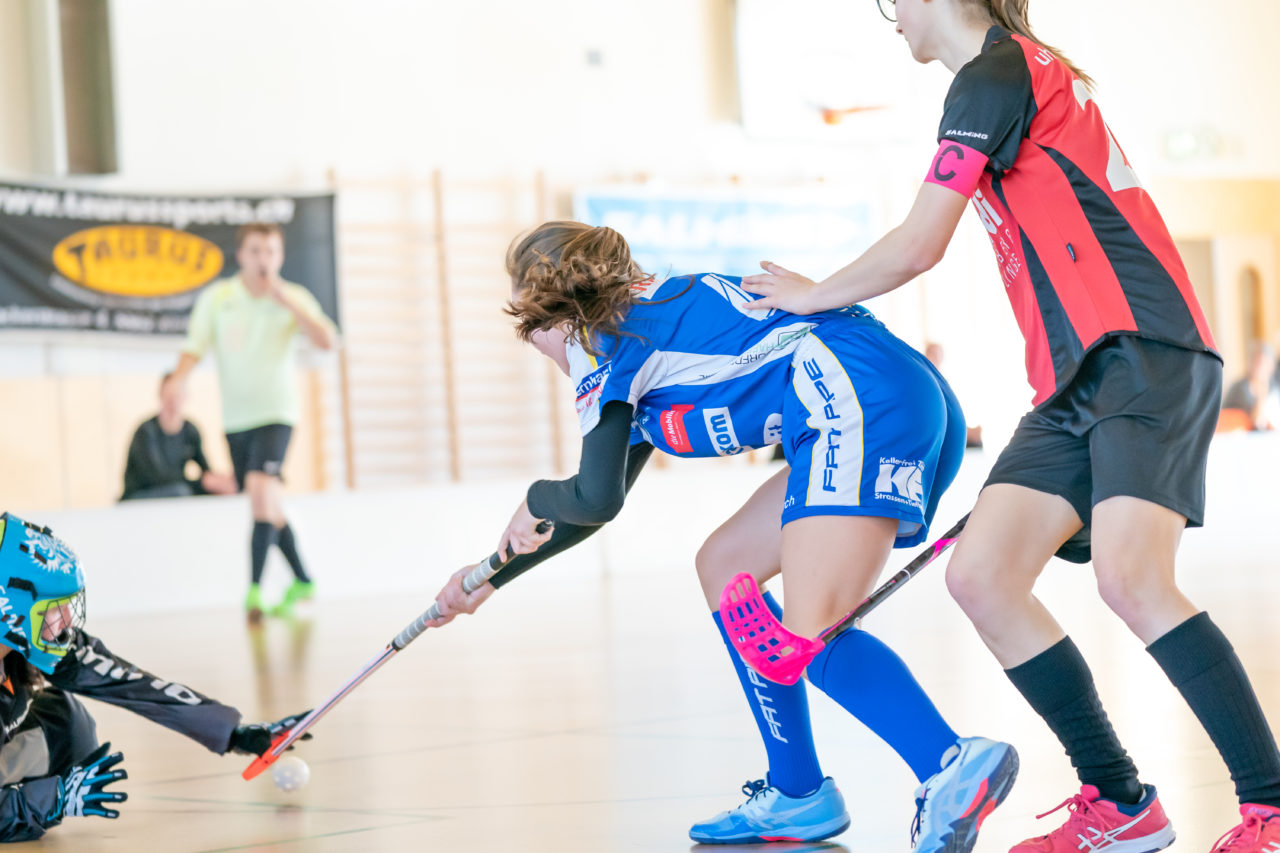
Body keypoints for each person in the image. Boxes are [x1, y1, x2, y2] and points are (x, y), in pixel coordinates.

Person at [738, 2, 1280, 851]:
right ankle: (1122, 801)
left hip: (1146, 351)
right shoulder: (996, 81)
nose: (889, 18)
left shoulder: (995, 74)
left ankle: (1271, 807)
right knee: (983, 575)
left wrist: (812, 293)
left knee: (1133, 580)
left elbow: (921, 244)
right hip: (1073, 384)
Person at [425, 221, 1018, 850]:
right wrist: (487, 578)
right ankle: (798, 793)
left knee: (814, 629)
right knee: (725, 564)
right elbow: (601, 504)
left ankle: (950, 764)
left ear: (545, 313)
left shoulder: (603, 349)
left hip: (858, 397)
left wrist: (537, 496)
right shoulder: (645, 327)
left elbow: (585, 497)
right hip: (888, 391)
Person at [0, 512, 310, 842]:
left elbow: (127, 683)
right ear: (9, 608)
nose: (65, 620)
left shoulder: (25, 641)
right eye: (53, 607)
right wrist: (54, 799)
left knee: (68, 725)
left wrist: (233, 733)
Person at [171, 223, 337, 621]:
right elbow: (194, 346)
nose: (264, 259)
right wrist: (177, 380)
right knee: (267, 502)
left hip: (277, 413)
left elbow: (328, 341)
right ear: (242, 255)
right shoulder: (219, 298)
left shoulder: (293, 297)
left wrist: (289, 305)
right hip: (236, 420)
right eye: (256, 251)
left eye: (272, 252)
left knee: (261, 494)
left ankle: (255, 591)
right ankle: (303, 579)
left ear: (279, 257)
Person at [120, 372, 237, 501]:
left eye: (177, 396)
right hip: (141, 494)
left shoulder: (190, 430)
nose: (173, 402)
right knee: (180, 491)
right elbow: (158, 477)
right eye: (169, 396)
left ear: (186, 396)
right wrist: (201, 483)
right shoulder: (146, 432)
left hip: (176, 490)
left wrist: (219, 482)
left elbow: (205, 470)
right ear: (161, 395)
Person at [923, 342, 983, 448]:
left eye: (939, 355)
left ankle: (969, 433)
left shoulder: (943, 382)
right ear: (926, 355)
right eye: (933, 354)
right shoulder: (926, 380)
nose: (936, 358)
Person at [1222, 341, 1280, 431]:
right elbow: (1256, 421)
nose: (1260, 367)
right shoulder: (1239, 388)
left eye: (1264, 363)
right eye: (1257, 362)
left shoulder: (1274, 389)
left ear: (1272, 366)